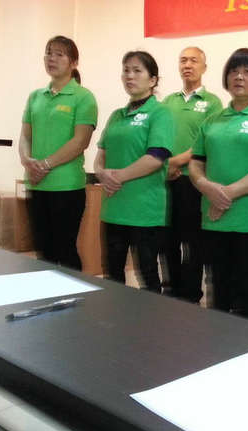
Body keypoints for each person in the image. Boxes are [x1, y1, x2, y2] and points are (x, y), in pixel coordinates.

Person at [188, 48, 248, 323]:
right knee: (218, 287)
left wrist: (226, 195)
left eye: (247, 72)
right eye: (233, 71)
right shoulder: (213, 120)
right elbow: (196, 162)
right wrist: (205, 186)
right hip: (215, 220)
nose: (239, 77)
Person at [94, 51, 174, 292]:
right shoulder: (116, 116)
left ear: (153, 80)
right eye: (126, 70)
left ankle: (150, 317)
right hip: (113, 207)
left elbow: (156, 158)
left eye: (137, 70)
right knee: (112, 273)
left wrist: (116, 177)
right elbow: (100, 155)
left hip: (144, 210)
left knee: (147, 274)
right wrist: (101, 173)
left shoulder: (160, 113)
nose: (130, 76)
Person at [19, 35, 97, 270]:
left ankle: (76, 293)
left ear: (74, 62)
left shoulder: (83, 97)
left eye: (59, 54)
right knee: (43, 252)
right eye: (48, 53)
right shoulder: (35, 96)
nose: (51, 58)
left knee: (65, 250)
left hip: (66, 186)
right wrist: (27, 161)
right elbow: (25, 136)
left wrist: (45, 165)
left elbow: (80, 141)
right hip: (36, 184)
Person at [161, 47, 223, 303]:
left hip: (193, 181)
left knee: (193, 243)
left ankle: (191, 295)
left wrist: (175, 161)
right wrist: (165, 165)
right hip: (167, 180)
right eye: (183, 60)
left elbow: (206, 141)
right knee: (168, 240)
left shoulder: (213, 102)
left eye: (194, 61)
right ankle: (171, 291)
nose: (188, 65)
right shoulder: (168, 102)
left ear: (204, 67)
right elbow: (159, 136)